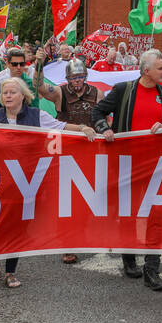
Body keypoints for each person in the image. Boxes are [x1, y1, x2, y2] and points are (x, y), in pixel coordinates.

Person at [0, 76, 98, 285]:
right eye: (5, 93)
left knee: (17, 226)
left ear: (23, 96)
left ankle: (10, 272)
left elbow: (60, 126)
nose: (8, 96)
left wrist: (82, 128)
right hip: (0, 181)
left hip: (26, 181)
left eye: (12, 92)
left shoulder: (37, 115)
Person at [92, 49, 162, 291]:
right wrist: (105, 129)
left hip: (158, 165)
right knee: (129, 213)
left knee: (157, 215)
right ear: (146, 71)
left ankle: (151, 269)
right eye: (161, 68)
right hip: (127, 164)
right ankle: (129, 259)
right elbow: (98, 112)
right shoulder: (124, 90)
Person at [34, 56, 102, 263]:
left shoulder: (97, 93)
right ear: (68, 78)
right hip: (65, 150)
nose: (77, 81)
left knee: (87, 197)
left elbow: (103, 117)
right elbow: (39, 87)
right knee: (65, 199)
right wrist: (39, 65)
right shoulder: (60, 93)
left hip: (89, 150)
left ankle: (81, 235)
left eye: (80, 76)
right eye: (73, 77)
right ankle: (67, 243)